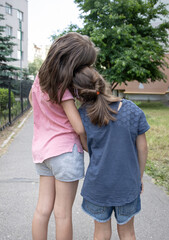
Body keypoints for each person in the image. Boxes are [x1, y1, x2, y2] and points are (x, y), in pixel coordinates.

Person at [28, 32, 97, 240]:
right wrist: (88, 147)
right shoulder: (63, 86)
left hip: (42, 153)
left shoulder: (40, 79)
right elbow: (78, 127)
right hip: (66, 152)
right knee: (63, 213)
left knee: (42, 209)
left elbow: (33, 103)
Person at [73, 66, 150, 240]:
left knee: (101, 233)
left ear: (80, 93)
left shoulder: (83, 115)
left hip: (98, 187)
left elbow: (87, 146)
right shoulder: (132, 109)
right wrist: (139, 177)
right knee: (128, 233)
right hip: (127, 186)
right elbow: (143, 148)